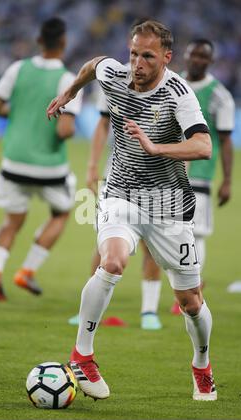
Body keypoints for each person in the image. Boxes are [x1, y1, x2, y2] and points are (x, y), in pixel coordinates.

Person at [47, 20, 217, 401]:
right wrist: (72, 91)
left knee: (190, 301)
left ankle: (202, 365)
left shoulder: (180, 94)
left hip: (167, 205)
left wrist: (157, 149)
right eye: (134, 53)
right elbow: (94, 64)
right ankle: (82, 357)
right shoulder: (117, 74)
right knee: (111, 262)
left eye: (147, 56)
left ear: (167, 58)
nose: (137, 63)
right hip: (120, 193)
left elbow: (204, 146)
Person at [0, 17, 82, 301]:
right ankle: (27, 270)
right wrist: (62, 126)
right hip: (49, 167)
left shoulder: (18, 69)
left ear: (39, 41)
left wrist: (19, 117)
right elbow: (65, 129)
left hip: (13, 163)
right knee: (61, 213)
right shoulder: (69, 80)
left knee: (11, 221)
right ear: (63, 43)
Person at [68, 86, 163, 330]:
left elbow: (183, 138)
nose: (138, 59)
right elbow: (102, 124)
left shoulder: (171, 89)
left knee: (152, 244)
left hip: (157, 181)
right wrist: (92, 165)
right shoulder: (113, 83)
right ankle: (88, 310)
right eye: (134, 51)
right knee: (105, 241)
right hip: (117, 178)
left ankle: (149, 311)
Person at [171, 39, 235, 314]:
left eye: (202, 56)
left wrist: (228, 180)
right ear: (184, 56)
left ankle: (192, 292)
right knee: (169, 236)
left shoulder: (220, 96)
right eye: (192, 54)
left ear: (210, 62)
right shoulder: (170, 84)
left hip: (200, 177)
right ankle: (183, 292)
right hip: (169, 174)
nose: (196, 59)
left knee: (195, 235)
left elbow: (226, 140)